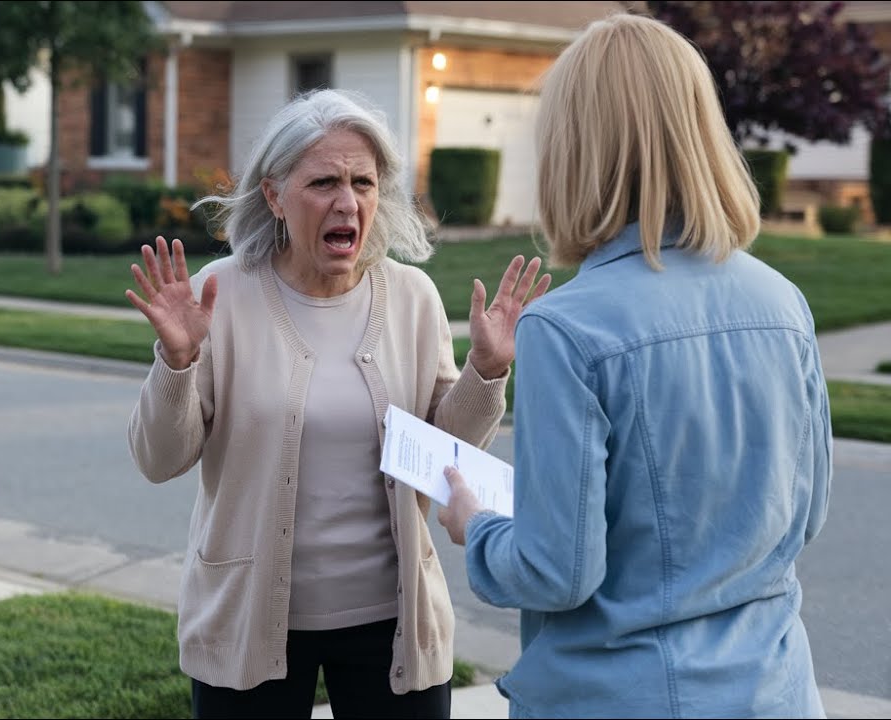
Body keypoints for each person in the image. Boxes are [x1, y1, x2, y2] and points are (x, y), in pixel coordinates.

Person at [435, 12, 833, 719]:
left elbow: (556, 572)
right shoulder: (785, 303)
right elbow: (803, 517)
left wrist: (478, 525)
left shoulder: (568, 327)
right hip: (774, 691)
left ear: (574, 148)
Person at [125, 88, 550, 719]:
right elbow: (160, 459)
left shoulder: (411, 297)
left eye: (363, 182)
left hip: (392, 618)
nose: (348, 202)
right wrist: (179, 361)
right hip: (248, 615)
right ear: (273, 196)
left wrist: (486, 370)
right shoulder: (224, 296)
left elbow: (445, 451)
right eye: (323, 181)